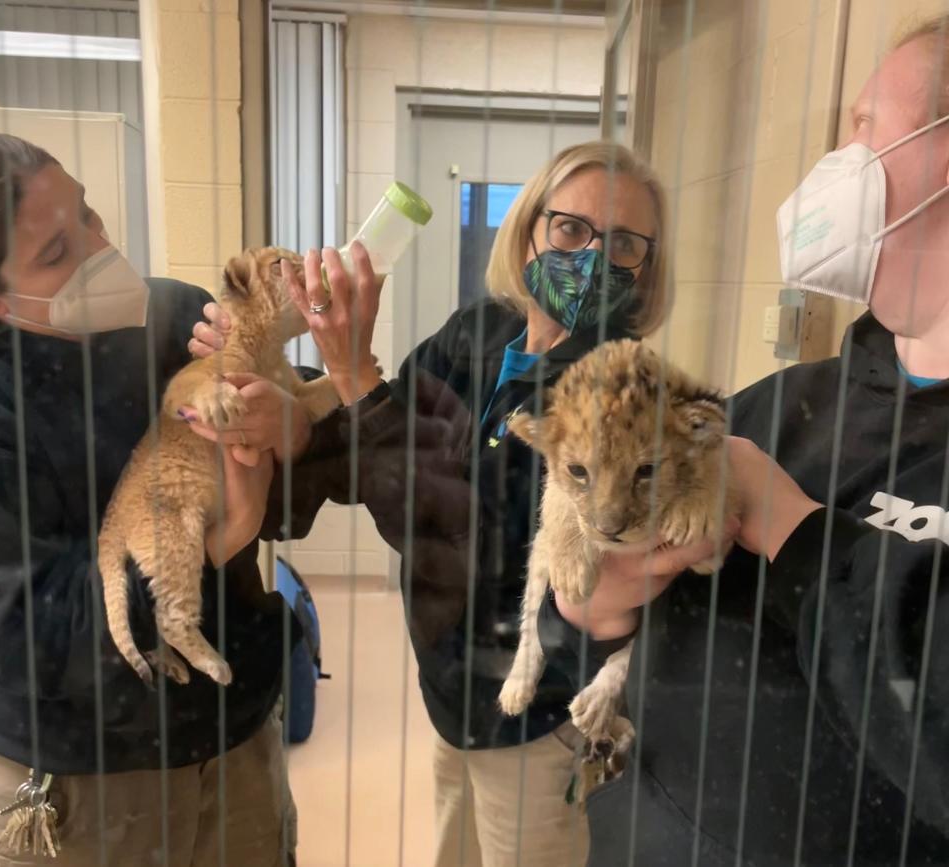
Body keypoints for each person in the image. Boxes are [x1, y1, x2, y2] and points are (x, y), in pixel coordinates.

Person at [193, 141, 727, 866]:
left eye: (624, 244)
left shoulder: (618, 394)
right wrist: (276, 395)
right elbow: (375, 442)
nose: (594, 258)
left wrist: (355, 371)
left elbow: (467, 539)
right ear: (529, 227)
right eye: (571, 229)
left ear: (648, 268)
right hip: (450, 685)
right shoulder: (481, 333)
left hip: (542, 712)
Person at [558, 17, 949, 867]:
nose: (840, 156)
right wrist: (596, 604)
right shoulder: (772, 409)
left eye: (866, 124)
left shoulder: (754, 461)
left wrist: (792, 525)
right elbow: (604, 633)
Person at [0, 133, 305, 866]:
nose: (102, 248)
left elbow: (300, 488)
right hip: (82, 789)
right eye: (58, 251)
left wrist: (289, 419)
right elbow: (26, 640)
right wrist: (217, 537)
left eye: (91, 215)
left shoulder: (173, 316)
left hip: (233, 743)